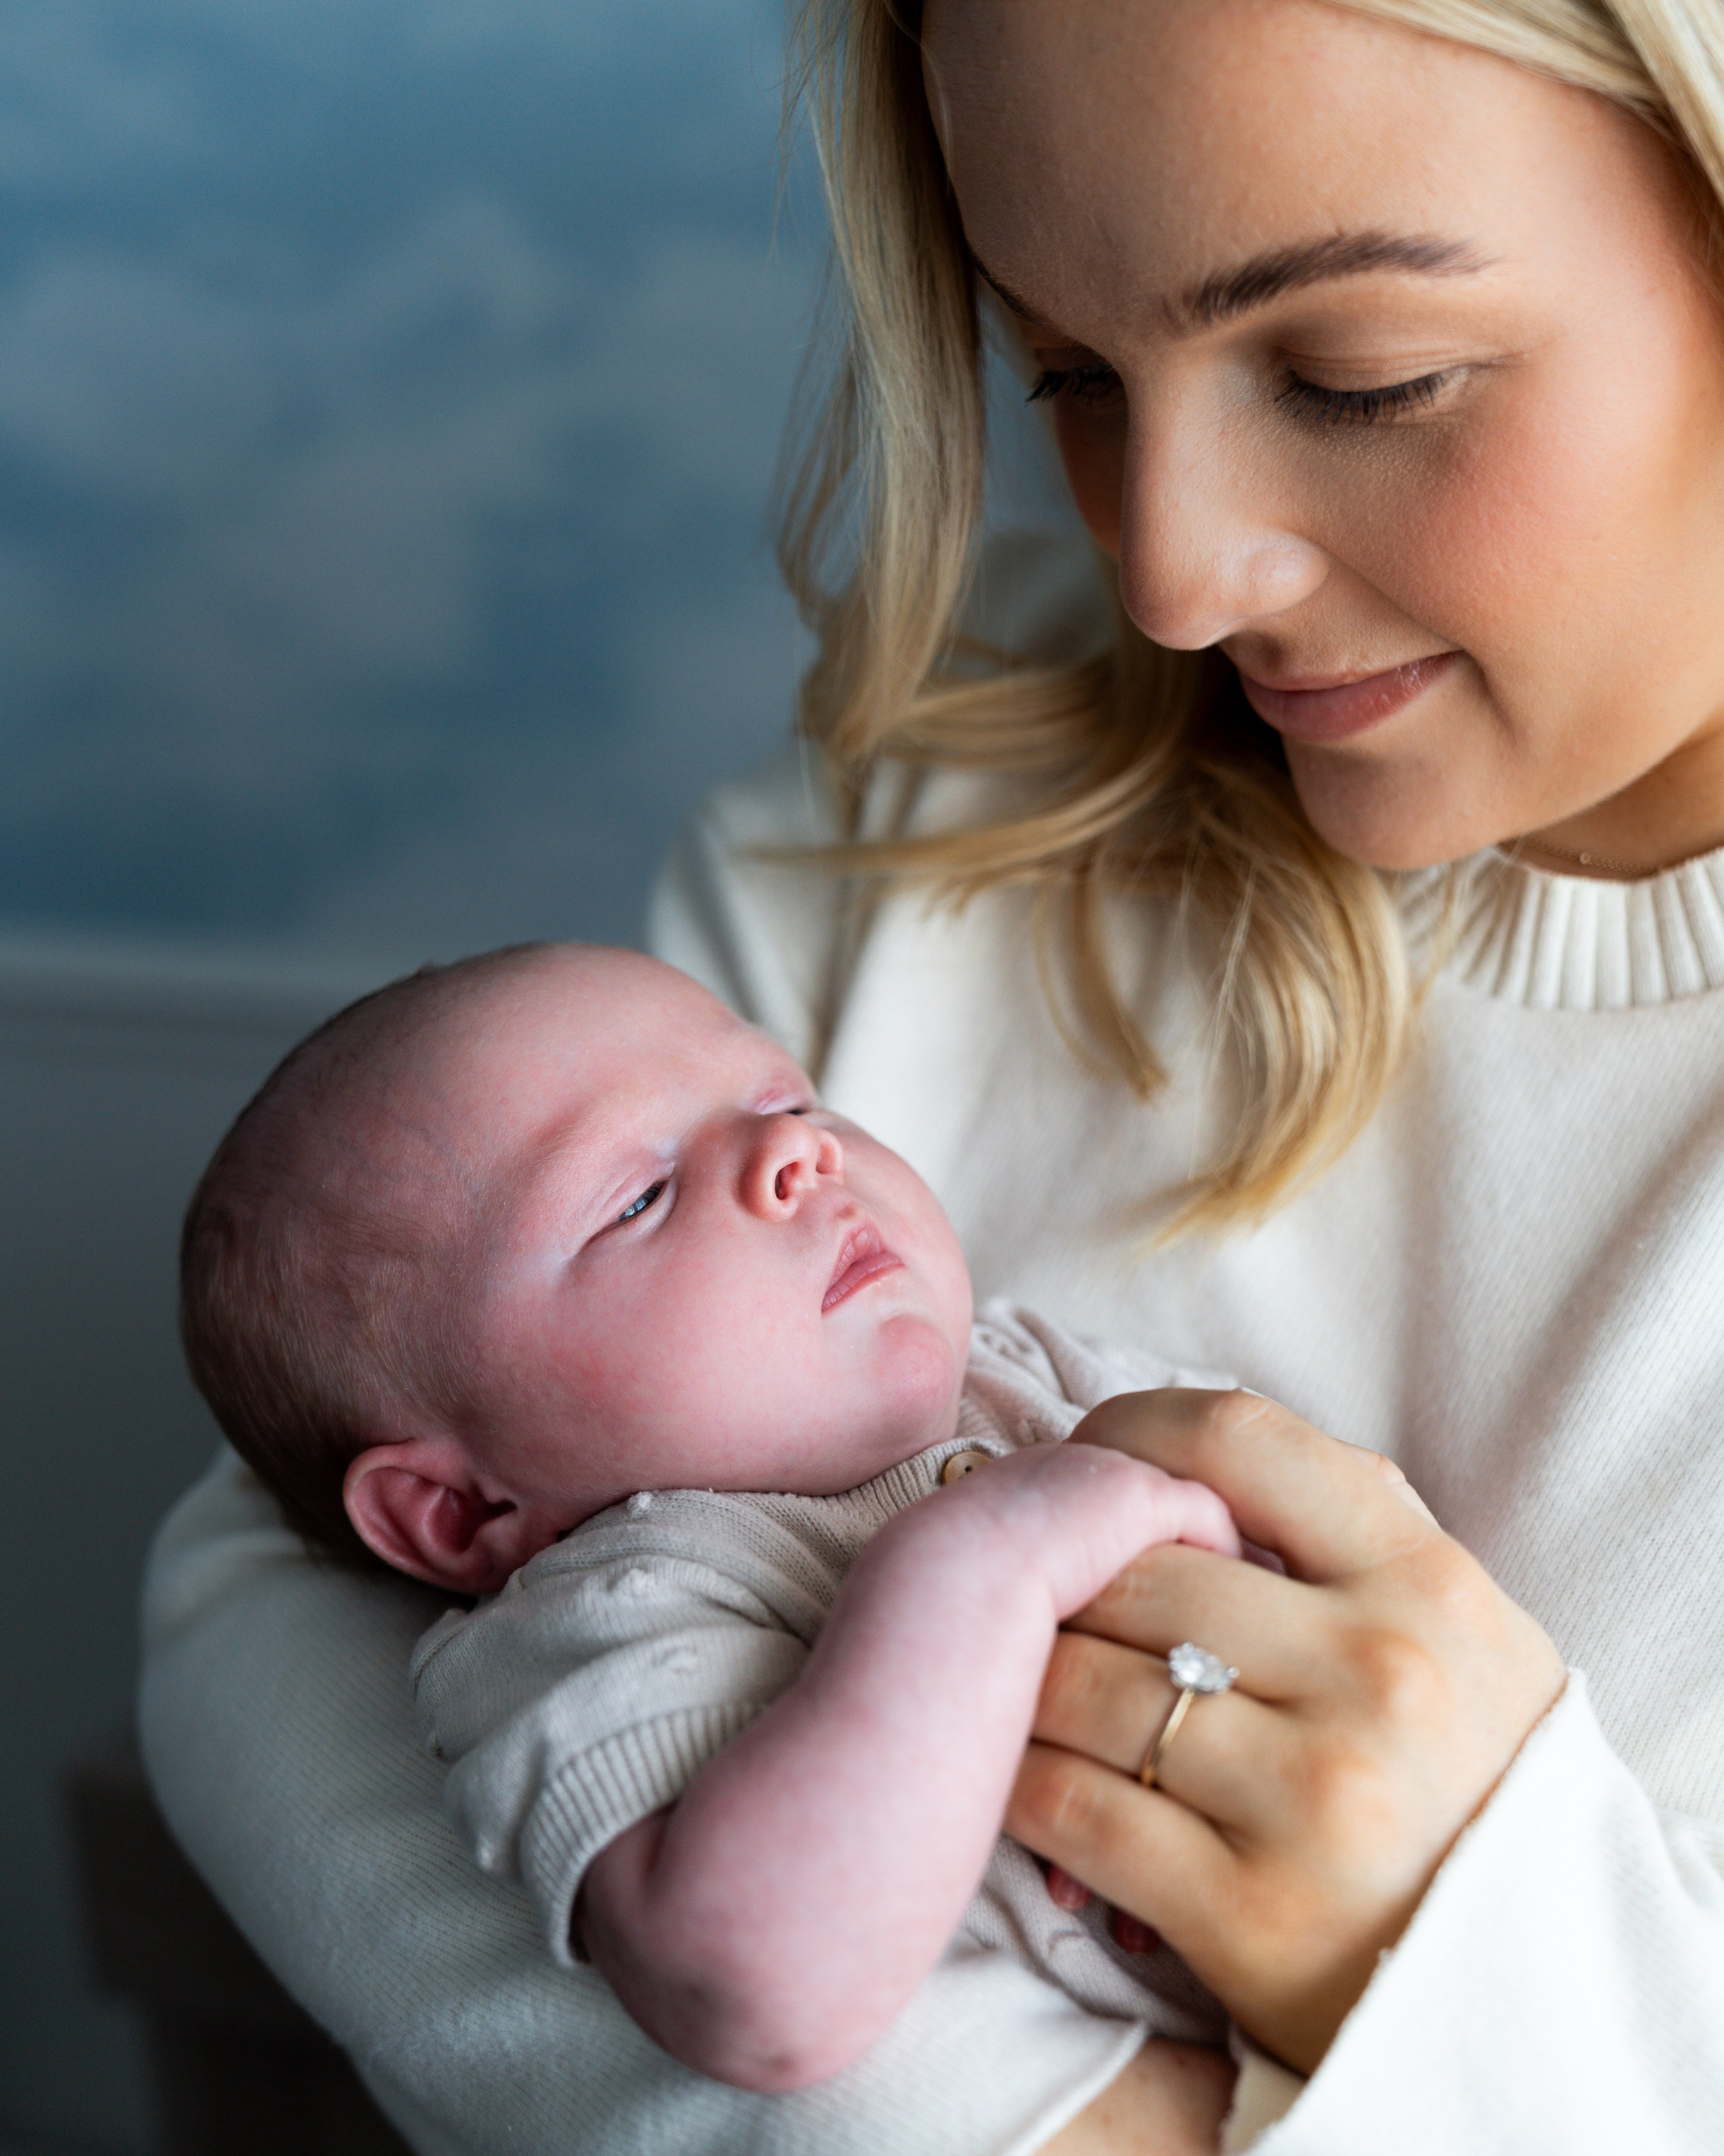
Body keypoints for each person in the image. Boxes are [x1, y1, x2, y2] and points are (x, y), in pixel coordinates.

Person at [139, 1, 1724, 2150]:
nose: (1170, 575)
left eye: (1359, 378)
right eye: (1066, 369)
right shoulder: (901, 849)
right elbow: (276, 1601)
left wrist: (1501, 1994)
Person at [176, 939, 1248, 2095]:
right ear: (457, 1508)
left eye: (786, 1096)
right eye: (637, 1197)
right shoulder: (617, 1608)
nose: (798, 1149)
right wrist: (979, 1563)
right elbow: (751, 1991)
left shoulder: (1028, 1365)